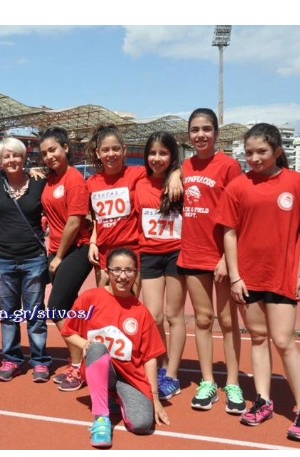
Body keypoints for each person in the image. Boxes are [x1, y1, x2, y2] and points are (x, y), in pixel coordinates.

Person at [217, 123, 300, 442]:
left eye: (261, 152)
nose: (254, 158)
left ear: (277, 151)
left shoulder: (298, 183)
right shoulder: (238, 186)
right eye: (249, 152)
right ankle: (263, 401)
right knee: (257, 338)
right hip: (248, 277)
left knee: (283, 341)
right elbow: (229, 233)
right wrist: (235, 276)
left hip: (282, 276)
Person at [62, 248, 169, 449]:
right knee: (97, 348)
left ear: (136, 273)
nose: (122, 276)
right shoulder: (90, 298)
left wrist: (154, 398)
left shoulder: (141, 312)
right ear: (107, 271)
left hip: (129, 377)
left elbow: (150, 357)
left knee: (142, 424)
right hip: (99, 367)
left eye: (128, 270)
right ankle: (101, 417)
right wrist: (85, 344)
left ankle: (115, 395)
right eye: (117, 270)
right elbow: (68, 331)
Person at [177, 108, 246, 414]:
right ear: (189, 135)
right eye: (195, 130)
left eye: (206, 129)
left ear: (216, 133)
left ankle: (232, 382)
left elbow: (239, 214)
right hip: (192, 253)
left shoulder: (229, 166)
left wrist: (226, 259)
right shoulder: (185, 165)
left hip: (221, 257)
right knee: (203, 320)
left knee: (228, 321)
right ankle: (207, 381)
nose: (200, 135)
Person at [0, 137, 52, 382]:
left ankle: (40, 361)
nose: (12, 160)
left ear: (24, 157)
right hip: (3, 260)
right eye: (6, 156)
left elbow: (61, 175)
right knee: (8, 315)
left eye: (16, 155)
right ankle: (12, 359)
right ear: (0, 161)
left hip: (33, 259)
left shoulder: (39, 181)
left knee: (35, 314)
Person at [85, 124, 183, 288]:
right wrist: (93, 242)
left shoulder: (139, 173)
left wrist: (176, 174)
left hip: (133, 251)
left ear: (124, 150)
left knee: (129, 300)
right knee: (105, 300)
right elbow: (96, 219)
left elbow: (166, 168)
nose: (111, 154)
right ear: (98, 153)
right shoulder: (91, 183)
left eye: (116, 149)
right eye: (105, 150)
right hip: (104, 254)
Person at [134, 132, 187, 402]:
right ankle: (162, 363)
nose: (157, 158)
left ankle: (172, 374)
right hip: (149, 255)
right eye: (152, 153)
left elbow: (200, 171)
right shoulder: (139, 182)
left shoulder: (181, 181)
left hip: (176, 254)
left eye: (163, 153)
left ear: (172, 156)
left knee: (173, 315)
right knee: (153, 316)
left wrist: (177, 172)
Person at [40, 126, 93, 392]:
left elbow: (74, 221)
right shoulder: (51, 179)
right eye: (44, 153)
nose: (49, 156)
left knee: (56, 306)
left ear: (66, 148)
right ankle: (80, 362)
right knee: (69, 308)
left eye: (53, 150)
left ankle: (80, 361)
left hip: (76, 250)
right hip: (57, 250)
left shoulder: (74, 180)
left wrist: (59, 256)